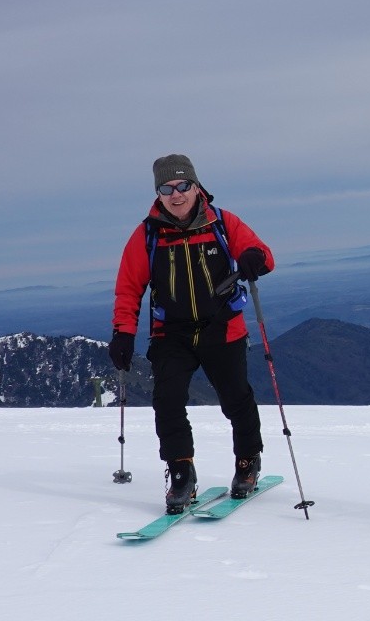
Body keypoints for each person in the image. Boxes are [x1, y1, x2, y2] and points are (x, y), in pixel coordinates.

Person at [110, 154, 275, 514]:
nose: (176, 194)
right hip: (171, 333)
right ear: (159, 194)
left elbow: (263, 255)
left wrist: (253, 258)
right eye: (167, 188)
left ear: (196, 187)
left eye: (183, 185)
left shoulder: (222, 222)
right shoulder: (147, 234)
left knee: (236, 399)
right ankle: (181, 471)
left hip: (223, 327)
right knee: (167, 402)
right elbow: (128, 287)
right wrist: (123, 332)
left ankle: (248, 461)